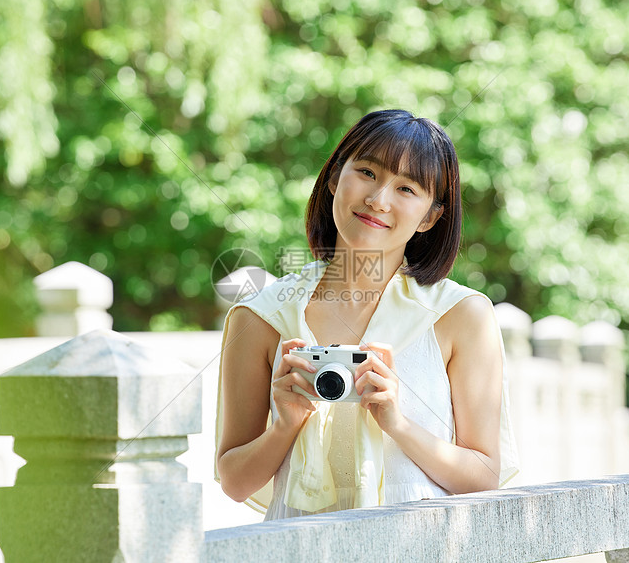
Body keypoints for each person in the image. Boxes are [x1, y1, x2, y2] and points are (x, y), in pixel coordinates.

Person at [215, 109, 518, 519]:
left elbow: (482, 475)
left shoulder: (461, 315)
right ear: (334, 177)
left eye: (407, 189)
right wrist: (285, 424)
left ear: (430, 217)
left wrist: (398, 423)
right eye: (368, 173)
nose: (378, 200)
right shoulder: (263, 315)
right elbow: (234, 481)